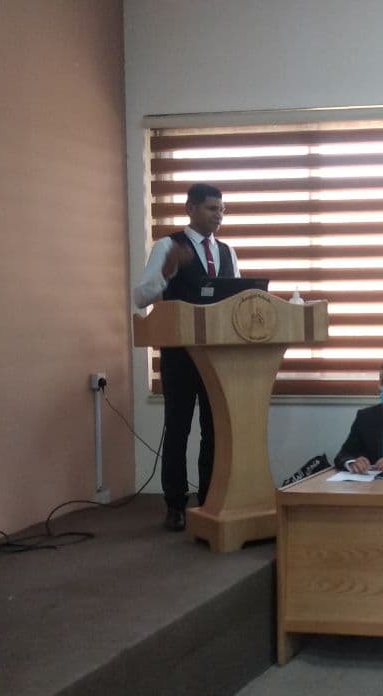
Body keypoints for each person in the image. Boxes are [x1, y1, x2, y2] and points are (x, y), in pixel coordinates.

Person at [133, 183, 239, 531]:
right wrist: (167, 271)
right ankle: (175, 505)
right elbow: (140, 297)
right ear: (190, 208)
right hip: (180, 355)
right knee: (178, 428)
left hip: (217, 356)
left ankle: (209, 499)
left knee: (214, 429)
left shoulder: (227, 252)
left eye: (221, 210)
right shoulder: (168, 246)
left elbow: (237, 300)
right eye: (211, 208)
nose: (218, 215)